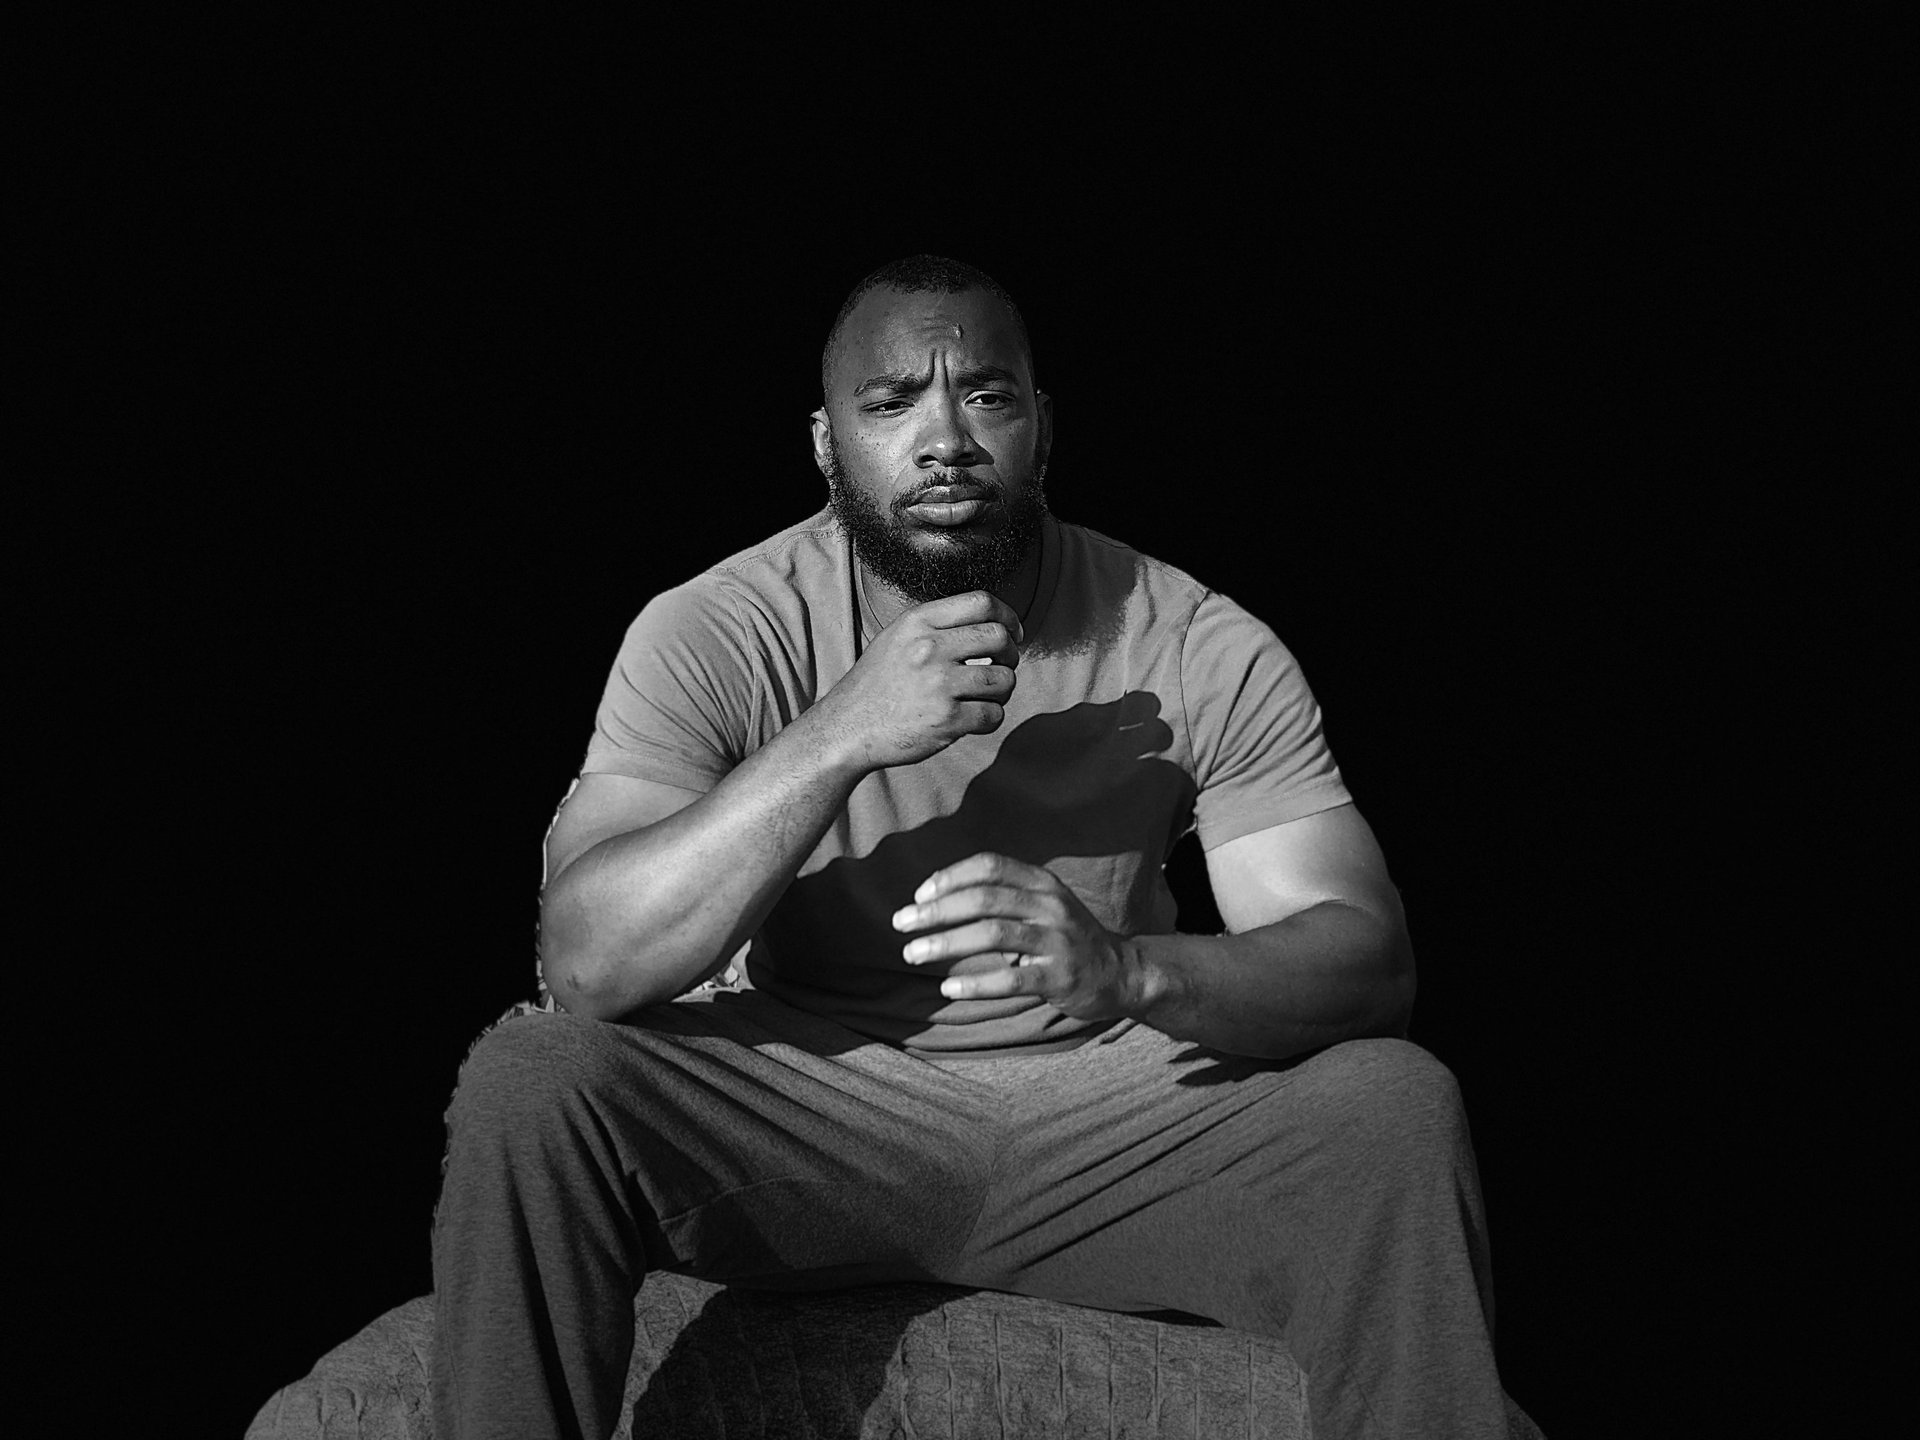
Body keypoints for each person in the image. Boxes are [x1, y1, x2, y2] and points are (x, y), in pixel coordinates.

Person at [430, 255, 1508, 1438]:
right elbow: (589, 964)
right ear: (827, 442)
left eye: (985, 395)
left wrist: (1128, 969)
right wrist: (838, 731)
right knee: (534, 1081)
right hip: (816, 1111)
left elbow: (1368, 963)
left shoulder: (1199, 637)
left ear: (1042, 426)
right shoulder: (716, 626)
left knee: (1394, 1105)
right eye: (892, 404)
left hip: (1113, 1124)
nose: (944, 437)